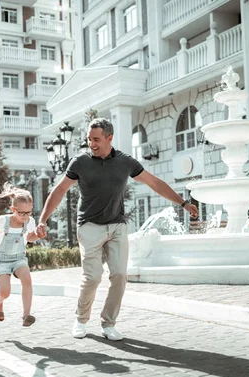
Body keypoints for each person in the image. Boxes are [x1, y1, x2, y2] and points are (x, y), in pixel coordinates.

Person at [36, 118, 198, 341]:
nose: (91, 143)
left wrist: (183, 203)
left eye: (96, 139)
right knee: (92, 277)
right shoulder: (80, 162)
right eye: (88, 139)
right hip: (89, 226)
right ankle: (81, 320)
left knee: (120, 275)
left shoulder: (125, 162)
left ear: (109, 138)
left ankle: (108, 324)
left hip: (116, 225)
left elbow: (155, 183)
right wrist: (43, 219)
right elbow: (59, 190)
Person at [0, 183, 44, 327]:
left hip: (19, 258)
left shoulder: (30, 222)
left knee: (27, 280)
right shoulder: (3, 220)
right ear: (13, 209)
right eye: (21, 213)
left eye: (29, 212)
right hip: (1, 259)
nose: (25, 216)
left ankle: (26, 315)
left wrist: (39, 236)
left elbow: (29, 237)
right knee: (5, 292)